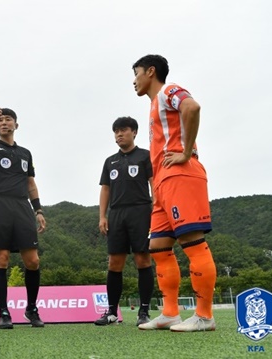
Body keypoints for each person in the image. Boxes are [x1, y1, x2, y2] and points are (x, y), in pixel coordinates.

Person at [132, 54, 217, 332]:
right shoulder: (154, 107)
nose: (134, 81)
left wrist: (185, 151)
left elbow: (192, 107)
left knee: (191, 241)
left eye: (137, 74)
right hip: (162, 184)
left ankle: (205, 316)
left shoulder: (169, 91)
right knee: (158, 247)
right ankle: (170, 313)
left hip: (181, 173)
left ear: (151, 72)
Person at [0, 108, 46, 329]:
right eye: (0, 120)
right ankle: (3, 311)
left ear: (16, 125)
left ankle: (31, 308)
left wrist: (38, 210)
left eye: (8, 119)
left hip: (22, 206)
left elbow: (31, 183)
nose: (4, 122)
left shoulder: (25, 153)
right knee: (1, 259)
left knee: (33, 261)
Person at [94, 117, 155, 327]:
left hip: (141, 211)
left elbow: (153, 183)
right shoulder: (110, 161)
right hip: (117, 214)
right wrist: (103, 215)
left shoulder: (145, 156)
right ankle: (112, 312)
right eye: (116, 132)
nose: (119, 135)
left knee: (142, 260)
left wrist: (156, 211)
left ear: (134, 132)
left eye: (123, 130)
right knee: (114, 263)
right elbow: (105, 189)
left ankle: (144, 311)